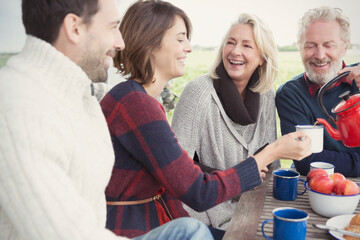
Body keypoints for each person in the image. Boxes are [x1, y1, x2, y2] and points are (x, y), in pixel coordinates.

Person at [0, 0, 214, 239]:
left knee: (190, 230)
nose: (120, 42)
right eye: (112, 27)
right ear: (75, 28)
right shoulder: (18, 107)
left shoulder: (77, 95)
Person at [100, 0, 312, 238]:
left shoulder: (141, 101)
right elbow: (197, 191)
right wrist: (273, 151)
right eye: (180, 39)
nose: (189, 48)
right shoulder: (136, 104)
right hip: (136, 229)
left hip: (162, 220)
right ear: (151, 44)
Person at [171, 13, 279, 229]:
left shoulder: (267, 95)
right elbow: (176, 171)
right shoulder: (199, 93)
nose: (235, 51)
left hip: (252, 212)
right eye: (230, 42)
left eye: (247, 45)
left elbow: (271, 166)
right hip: (207, 218)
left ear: (262, 58)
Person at [276, 6, 360, 177]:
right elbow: (306, 160)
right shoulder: (291, 94)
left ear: (345, 47)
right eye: (311, 46)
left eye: (328, 45)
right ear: (300, 48)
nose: (320, 55)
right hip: (317, 187)